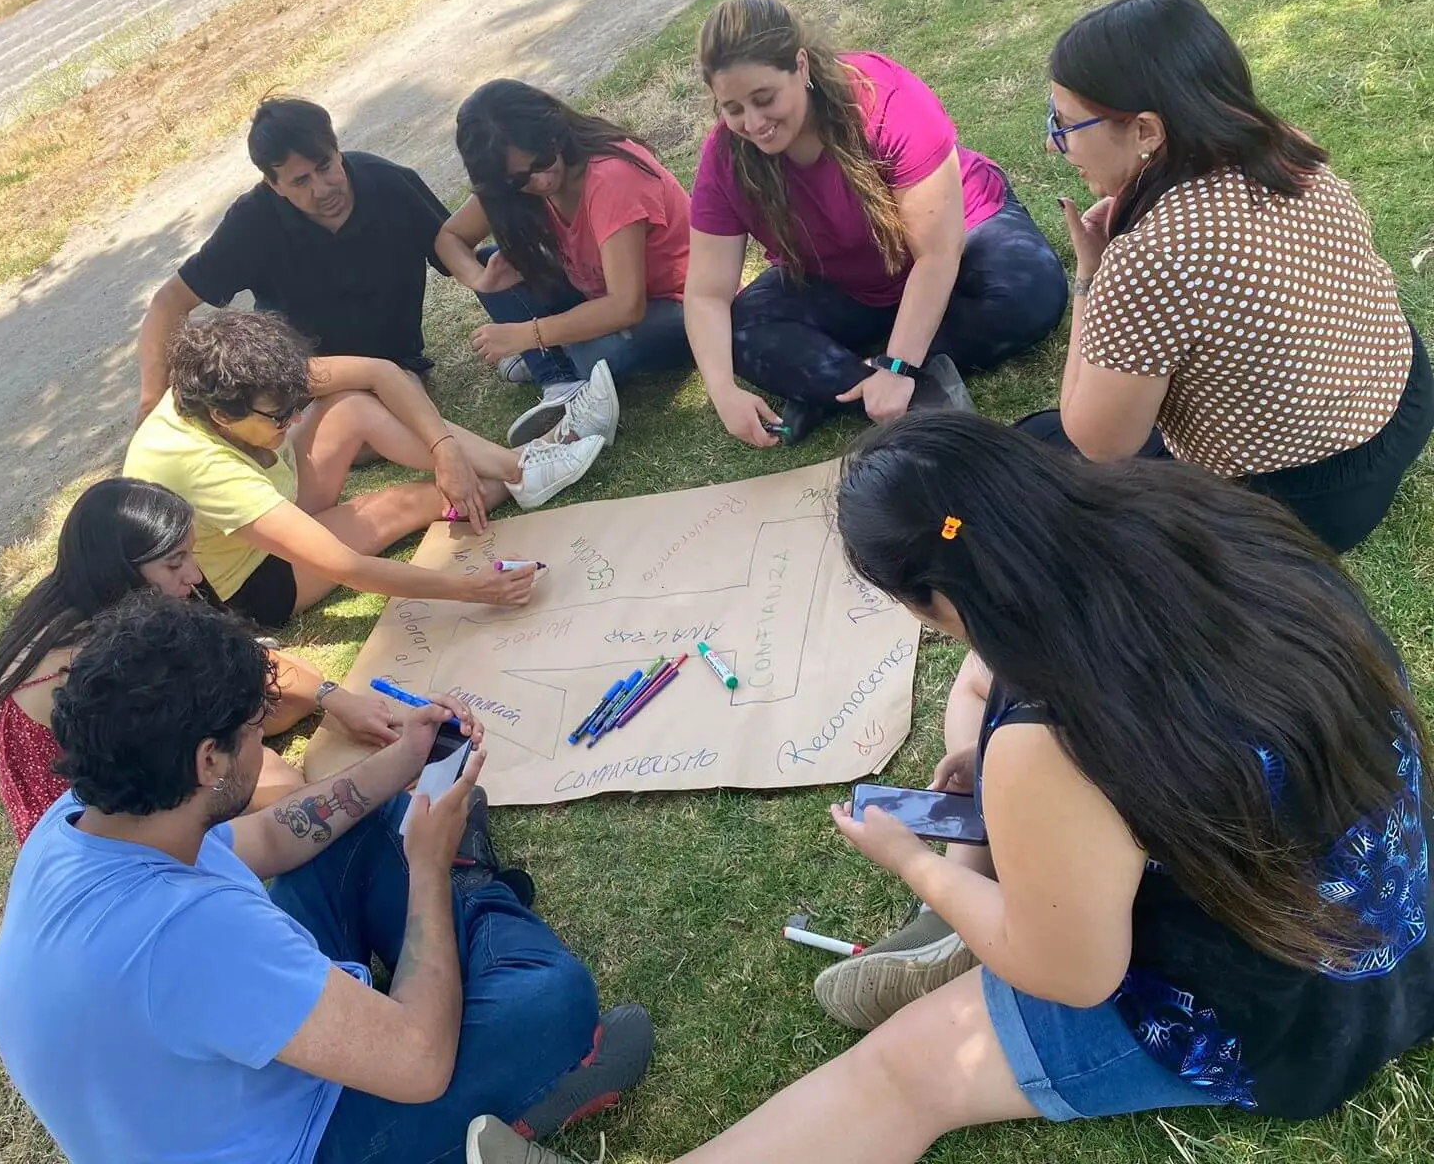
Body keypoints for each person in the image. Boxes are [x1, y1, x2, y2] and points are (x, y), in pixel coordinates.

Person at [466, 411, 1433, 1164]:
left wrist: (921, 867)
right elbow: (996, 677)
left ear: (936, 599)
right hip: (1391, 883)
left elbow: (1074, 974)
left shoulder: (1055, 740)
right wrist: (983, 769)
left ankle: (953, 946)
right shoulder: (1185, 512)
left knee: (903, 1072)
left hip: (1302, 1009)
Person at [0, 594, 653, 1163]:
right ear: (207, 758)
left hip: (229, 1073)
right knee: (551, 1002)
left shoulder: (86, 814)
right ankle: (478, 917)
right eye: (255, 728)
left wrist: (404, 759)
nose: (266, 745)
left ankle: (460, 902)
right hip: (304, 1141)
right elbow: (418, 1064)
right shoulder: (186, 936)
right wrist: (426, 867)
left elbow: (273, 836)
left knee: (371, 821)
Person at [1026, 0, 1432, 553]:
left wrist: (1090, 277)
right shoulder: (1288, 152)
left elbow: (1100, 443)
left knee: (1042, 447)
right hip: (1402, 404)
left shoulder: (1154, 258)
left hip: (1300, 505)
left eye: (1065, 125)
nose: (1053, 145)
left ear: (1146, 130)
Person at [685, 0, 1067, 446]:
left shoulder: (884, 98)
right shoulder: (726, 158)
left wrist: (900, 364)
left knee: (1031, 292)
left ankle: (855, 380)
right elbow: (707, 293)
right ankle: (884, 382)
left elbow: (938, 254)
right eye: (733, 109)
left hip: (960, 238)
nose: (753, 122)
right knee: (742, 331)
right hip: (847, 281)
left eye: (764, 99)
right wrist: (723, 392)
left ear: (801, 66)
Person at [124, 309, 604, 628]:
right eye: (280, 416)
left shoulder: (235, 375)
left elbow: (379, 372)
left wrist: (444, 450)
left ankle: (521, 465)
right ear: (223, 416)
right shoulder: (200, 465)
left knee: (352, 405)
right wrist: (470, 589)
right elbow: (346, 566)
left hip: (271, 501)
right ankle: (520, 472)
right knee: (406, 503)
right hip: (248, 579)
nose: (294, 420)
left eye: (297, 404)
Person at [0, 478, 306, 842]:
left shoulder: (77, 599)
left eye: (190, 554)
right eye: (175, 563)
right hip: (104, 823)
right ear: (120, 568)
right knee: (283, 787)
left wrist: (324, 695)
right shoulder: (100, 658)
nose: (194, 575)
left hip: (111, 779)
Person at [135, 96, 453, 424]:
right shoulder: (252, 223)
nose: (322, 189)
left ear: (337, 150)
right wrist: (151, 405)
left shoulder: (388, 183)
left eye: (325, 166)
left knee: (385, 416)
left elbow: (458, 247)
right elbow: (168, 301)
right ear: (274, 185)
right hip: (297, 384)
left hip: (396, 367)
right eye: (300, 181)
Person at [438, 79, 693, 447]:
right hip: (595, 295)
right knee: (493, 261)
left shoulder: (610, 176)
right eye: (520, 179)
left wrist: (527, 333)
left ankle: (557, 361)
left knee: (600, 353)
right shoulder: (514, 185)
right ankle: (560, 382)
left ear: (554, 132)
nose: (540, 181)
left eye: (542, 161)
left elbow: (626, 305)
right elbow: (449, 239)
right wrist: (482, 280)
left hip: (676, 306)